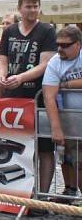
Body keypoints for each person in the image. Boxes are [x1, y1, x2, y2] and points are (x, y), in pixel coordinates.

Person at [0, 0, 57, 194]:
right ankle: (18, 191)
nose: (32, 10)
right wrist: (1, 76)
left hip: (37, 97)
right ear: (19, 8)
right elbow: (2, 59)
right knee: (12, 144)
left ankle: (43, 194)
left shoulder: (47, 30)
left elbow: (46, 63)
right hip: (11, 98)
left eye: (35, 6)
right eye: (28, 6)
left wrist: (21, 77)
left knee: (44, 147)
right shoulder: (10, 30)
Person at [42, 25, 82, 200]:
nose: (60, 49)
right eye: (58, 44)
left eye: (65, 45)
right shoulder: (54, 62)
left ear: (78, 45)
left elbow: (58, 87)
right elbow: (48, 96)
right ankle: (70, 191)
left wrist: (66, 85)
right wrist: (55, 128)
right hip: (69, 118)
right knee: (68, 157)